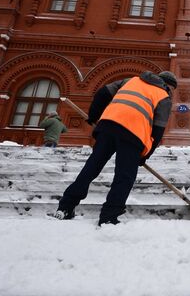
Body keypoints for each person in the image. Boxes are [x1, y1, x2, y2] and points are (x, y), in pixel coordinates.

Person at [54, 70, 177, 225]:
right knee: (124, 177)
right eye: (173, 90)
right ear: (169, 85)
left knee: (91, 168)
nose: (172, 93)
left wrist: (94, 115)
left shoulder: (130, 80)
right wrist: (145, 155)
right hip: (134, 134)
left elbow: (102, 93)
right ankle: (109, 216)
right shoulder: (164, 97)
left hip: (108, 126)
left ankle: (65, 207)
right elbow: (158, 130)